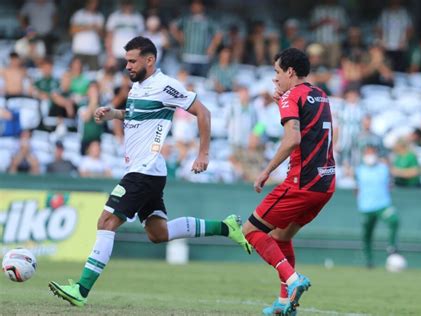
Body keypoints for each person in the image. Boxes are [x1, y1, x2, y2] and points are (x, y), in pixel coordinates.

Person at [48, 36, 251, 306]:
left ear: (149, 60)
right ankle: (226, 227)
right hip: (147, 169)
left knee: (106, 222)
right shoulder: (137, 88)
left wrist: (203, 154)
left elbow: (204, 112)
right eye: (126, 61)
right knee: (158, 233)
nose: (128, 66)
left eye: (132, 61)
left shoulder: (165, 85)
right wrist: (113, 114)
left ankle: (81, 290)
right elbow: (136, 115)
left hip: (144, 170)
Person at [241, 48, 335, 315]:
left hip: (301, 183)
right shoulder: (321, 95)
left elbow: (292, 138)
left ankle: (294, 280)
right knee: (281, 236)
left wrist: (266, 170)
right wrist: (281, 103)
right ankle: (285, 303)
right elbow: (308, 128)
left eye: (277, 72)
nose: (275, 79)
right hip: (325, 183)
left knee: (249, 231)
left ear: (290, 72)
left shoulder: (291, 96)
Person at [355, 145, 399, 268]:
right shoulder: (359, 170)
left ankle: (391, 247)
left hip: (382, 204)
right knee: (367, 234)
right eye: (367, 153)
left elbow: (391, 182)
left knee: (394, 220)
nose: (370, 156)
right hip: (366, 207)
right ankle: (369, 261)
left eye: (372, 153)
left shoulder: (383, 168)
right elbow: (356, 187)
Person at [69, 0, 105, 71]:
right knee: (76, 71)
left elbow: (103, 35)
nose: (94, 5)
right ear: (87, 3)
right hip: (79, 49)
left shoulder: (99, 16)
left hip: (94, 50)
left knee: (94, 72)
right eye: (92, 3)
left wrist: (98, 29)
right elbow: (71, 31)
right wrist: (88, 27)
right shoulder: (78, 14)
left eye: (95, 3)